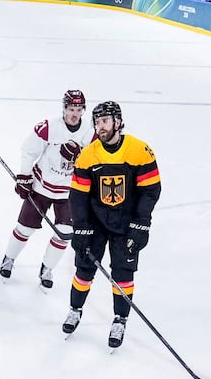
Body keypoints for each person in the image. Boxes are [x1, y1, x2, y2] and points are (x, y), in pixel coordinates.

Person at [64, 100, 161, 349]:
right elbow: (78, 195)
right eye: (96, 122)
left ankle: (120, 318)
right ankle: (75, 309)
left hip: (125, 224)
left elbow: (150, 190)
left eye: (105, 121)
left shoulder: (138, 150)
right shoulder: (88, 154)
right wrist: (81, 227)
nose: (100, 126)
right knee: (84, 269)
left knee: (123, 274)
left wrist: (141, 224)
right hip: (96, 223)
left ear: (117, 122)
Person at [0, 89, 91, 290]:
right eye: (71, 109)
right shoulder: (49, 127)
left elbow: (94, 162)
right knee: (25, 228)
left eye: (78, 109)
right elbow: (28, 150)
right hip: (42, 186)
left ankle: (47, 268)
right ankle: (9, 258)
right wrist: (24, 176)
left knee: (65, 233)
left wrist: (80, 156)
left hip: (68, 191)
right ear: (64, 108)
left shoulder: (89, 132)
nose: (74, 113)